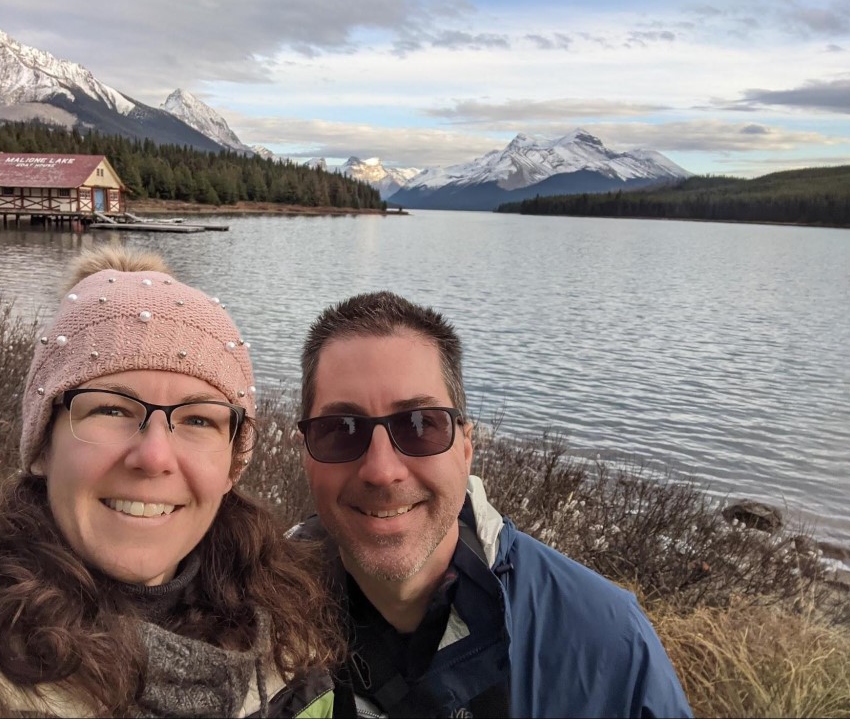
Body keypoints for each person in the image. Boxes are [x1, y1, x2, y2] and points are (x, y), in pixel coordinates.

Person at [0, 246, 342, 718]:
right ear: (42, 447)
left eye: (198, 419)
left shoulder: (288, 654)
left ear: (233, 463)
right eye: (111, 409)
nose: (154, 456)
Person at [290, 290, 693, 718]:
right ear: (306, 454)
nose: (382, 470)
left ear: (466, 449)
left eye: (420, 425)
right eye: (342, 429)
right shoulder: (246, 625)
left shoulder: (605, 640)